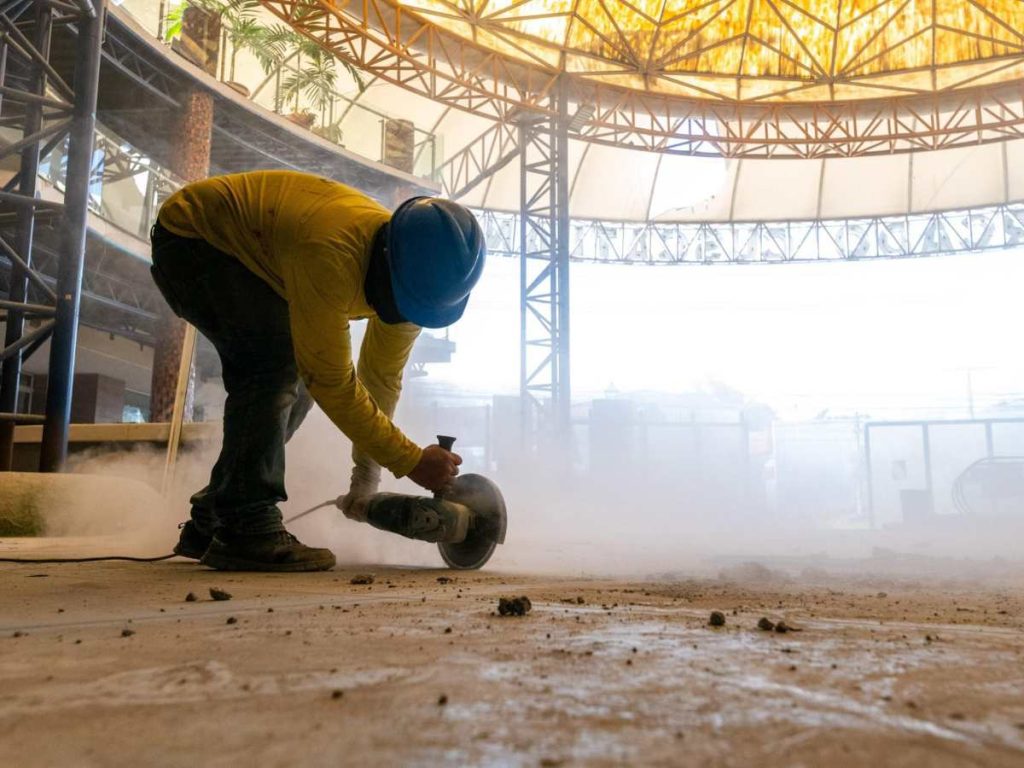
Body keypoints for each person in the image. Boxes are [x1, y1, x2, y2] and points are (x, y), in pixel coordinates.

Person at [149, 170, 486, 571]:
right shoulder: (331, 253)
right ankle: (246, 526)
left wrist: (365, 484)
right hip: (194, 241)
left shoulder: (416, 287)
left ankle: (214, 519)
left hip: (256, 255)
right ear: (386, 256)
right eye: (398, 299)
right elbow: (332, 382)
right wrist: (411, 460)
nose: (399, 314)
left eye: (412, 309)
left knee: (298, 379)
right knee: (275, 363)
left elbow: (378, 380)